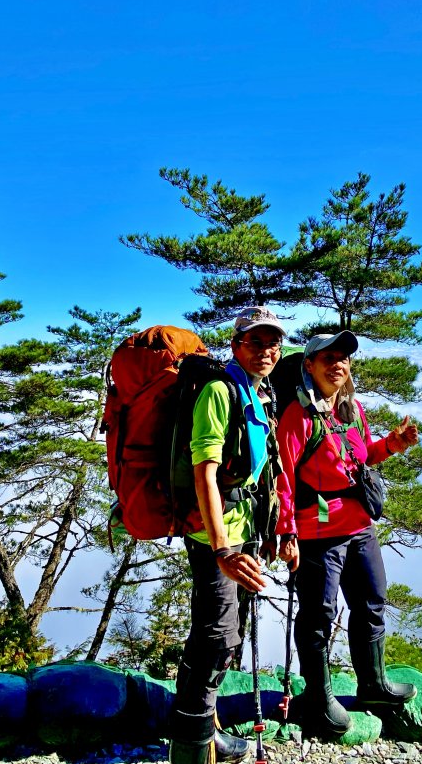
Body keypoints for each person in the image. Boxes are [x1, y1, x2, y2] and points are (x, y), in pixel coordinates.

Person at [273, 330, 420, 737]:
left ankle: (372, 686)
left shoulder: (349, 409)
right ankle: (318, 699)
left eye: (344, 358)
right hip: (317, 531)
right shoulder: (298, 417)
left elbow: (362, 456)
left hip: (359, 525)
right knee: (318, 616)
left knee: (372, 602)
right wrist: (286, 531)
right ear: (309, 366)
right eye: (328, 358)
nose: (338, 364)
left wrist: (392, 444)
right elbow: (283, 476)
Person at [169, 306, 299, 764]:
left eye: (272, 343)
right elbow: (205, 471)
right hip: (215, 536)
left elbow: (266, 468)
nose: (266, 351)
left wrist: (281, 530)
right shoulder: (219, 391)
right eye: (255, 342)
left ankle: (207, 732)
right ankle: (188, 747)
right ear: (235, 345)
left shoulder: (259, 393)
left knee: (230, 632)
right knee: (217, 636)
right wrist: (222, 546)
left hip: (243, 531)